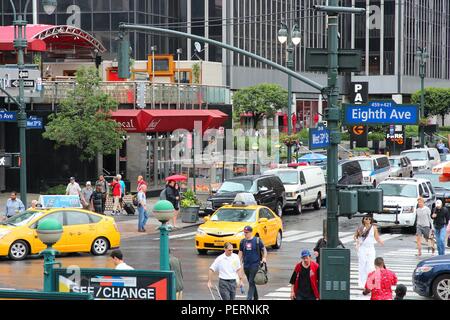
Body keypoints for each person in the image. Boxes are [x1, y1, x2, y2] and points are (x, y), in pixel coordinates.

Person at [354, 214, 384, 289]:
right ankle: (362, 283)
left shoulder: (373, 228)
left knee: (370, 266)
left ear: (371, 220)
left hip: (370, 248)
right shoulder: (360, 228)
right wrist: (357, 242)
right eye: (366, 219)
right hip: (362, 248)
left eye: (369, 219)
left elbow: (376, 237)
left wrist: (380, 242)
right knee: (362, 266)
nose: (368, 220)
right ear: (363, 219)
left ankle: (370, 283)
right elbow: (355, 236)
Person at [238, 225, 267, 300]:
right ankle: (256, 297)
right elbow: (240, 252)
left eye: (247, 232)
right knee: (252, 283)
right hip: (246, 266)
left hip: (255, 265)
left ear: (251, 232)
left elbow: (264, 250)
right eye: (244, 232)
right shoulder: (242, 242)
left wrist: (264, 258)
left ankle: (249, 298)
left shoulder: (257, 240)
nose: (245, 234)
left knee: (251, 282)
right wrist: (238, 262)